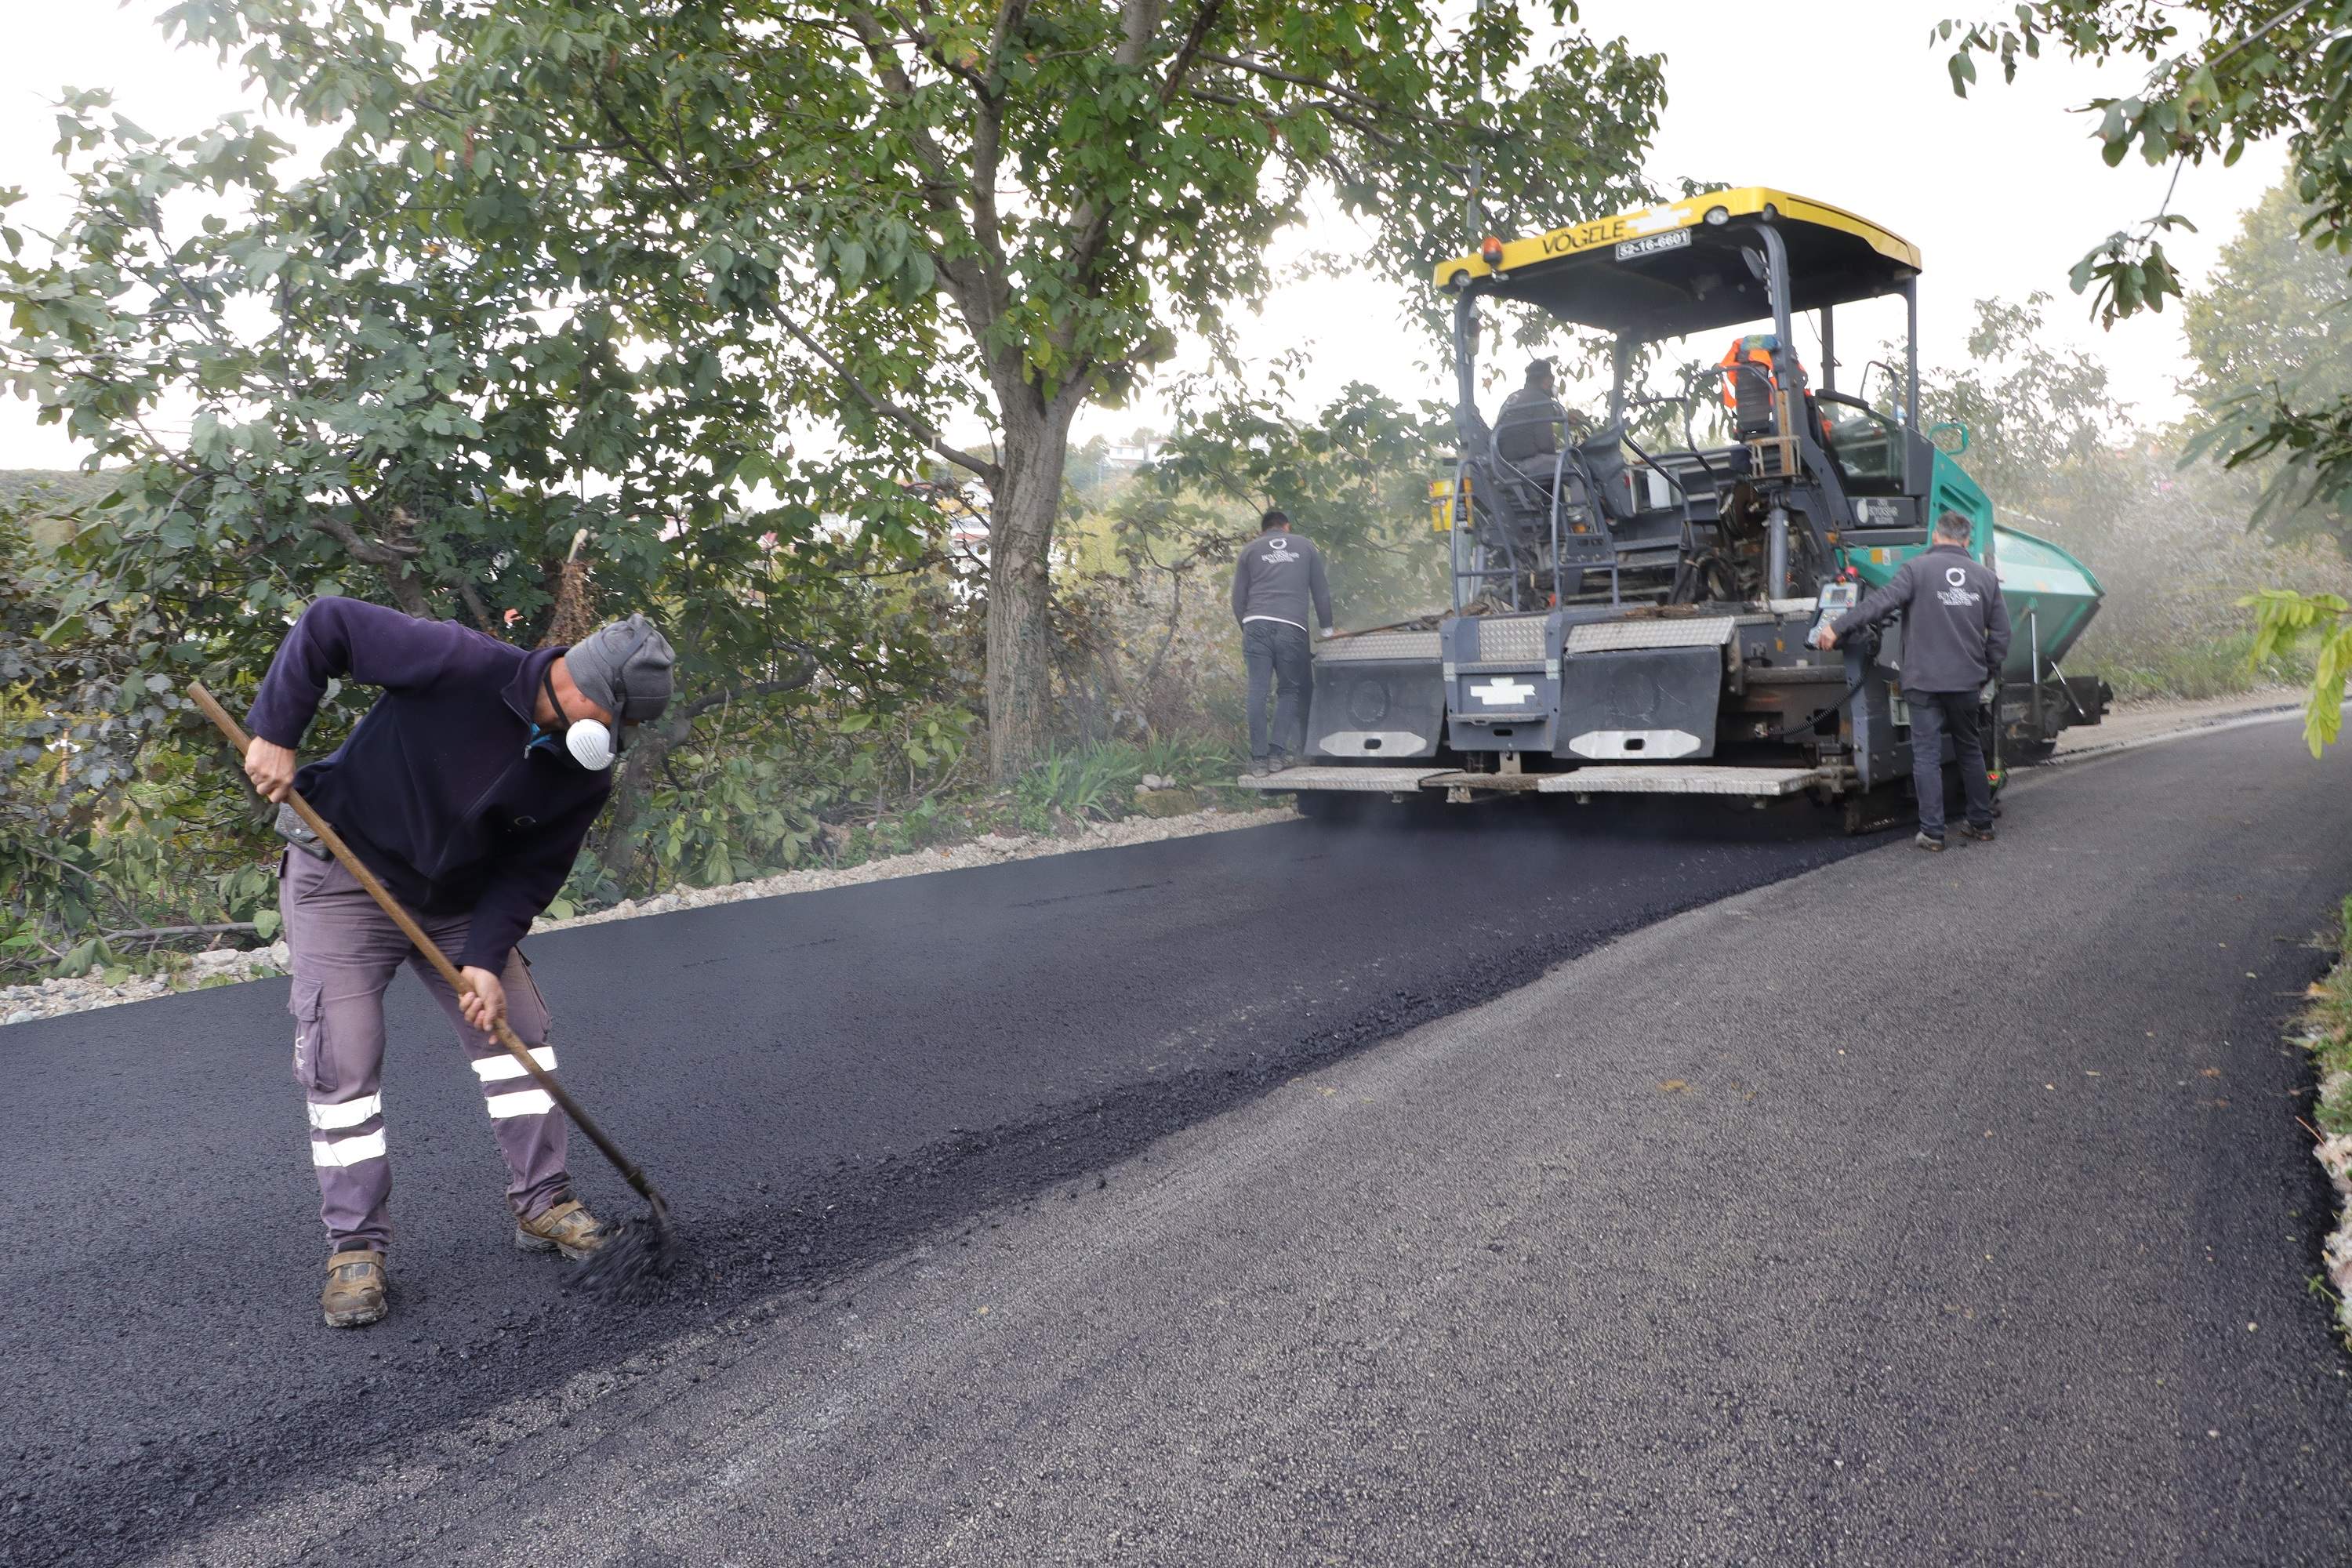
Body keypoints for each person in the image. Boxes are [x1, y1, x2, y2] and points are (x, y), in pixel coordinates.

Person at [241, 597, 676, 1327]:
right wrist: (276, 732)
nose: (622, 741)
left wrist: (482, 958)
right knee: (343, 1055)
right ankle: (356, 1245)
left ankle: (543, 1203)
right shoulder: (462, 664)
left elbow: (530, 873)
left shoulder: (581, 775)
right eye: (625, 723)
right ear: (587, 694)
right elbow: (329, 626)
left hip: (455, 905)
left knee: (518, 1030)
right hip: (344, 877)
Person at [1812, 510, 2011, 851]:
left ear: (1936, 536)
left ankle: (1933, 833)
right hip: (1966, 682)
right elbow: (2002, 635)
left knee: (1926, 756)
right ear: (1967, 540)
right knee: (1970, 750)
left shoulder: (1916, 570)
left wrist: (1836, 627)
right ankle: (1981, 823)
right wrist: (1984, 671)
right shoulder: (1985, 578)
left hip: (1923, 682)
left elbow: (1878, 604)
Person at [1229, 509, 1334, 775]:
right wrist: (1327, 630)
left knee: (1257, 692)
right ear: (1286, 527)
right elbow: (1320, 592)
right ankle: (1277, 755)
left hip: (1255, 624)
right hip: (1292, 626)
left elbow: (1237, 598)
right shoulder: (1305, 546)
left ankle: (1258, 761)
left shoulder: (1250, 551)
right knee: (1289, 690)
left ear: (1263, 530)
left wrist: (1248, 626)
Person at [1494, 358, 1573, 466]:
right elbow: (1545, 444)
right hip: (1526, 465)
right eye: (1551, 378)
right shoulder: (1542, 400)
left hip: (1503, 466)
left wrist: (1566, 417)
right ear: (1546, 380)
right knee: (1576, 470)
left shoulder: (1513, 398)